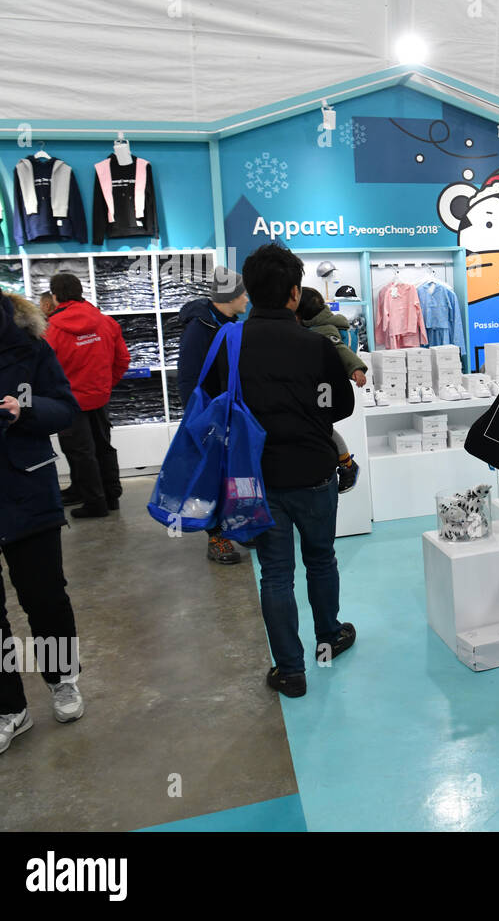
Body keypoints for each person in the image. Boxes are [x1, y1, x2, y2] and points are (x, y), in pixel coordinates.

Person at [200, 244, 356, 698]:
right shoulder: (316, 345)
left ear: (250, 291)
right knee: (321, 557)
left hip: (254, 476)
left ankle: (290, 671)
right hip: (312, 471)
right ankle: (328, 637)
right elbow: (339, 406)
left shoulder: (228, 343)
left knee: (275, 573)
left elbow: (213, 400)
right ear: (293, 293)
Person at [0, 265, 84, 759]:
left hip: (27, 493)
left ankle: (63, 680)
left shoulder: (29, 347)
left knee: (45, 599)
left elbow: (66, 407)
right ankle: (6, 708)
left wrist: (24, 412)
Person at [175, 266, 250, 564]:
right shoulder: (200, 327)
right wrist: (198, 418)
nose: (247, 298)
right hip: (209, 414)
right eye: (242, 293)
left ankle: (240, 527)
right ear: (229, 296)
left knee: (236, 473)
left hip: (231, 411)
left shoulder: (229, 323)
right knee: (211, 477)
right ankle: (216, 537)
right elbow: (189, 377)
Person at [43, 273, 129, 518]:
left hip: (70, 401)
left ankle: (95, 503)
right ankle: (111, 496)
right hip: (99, 396)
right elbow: (122, 359)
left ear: (56, 296)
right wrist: (105, 384)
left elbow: (46, 368)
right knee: (103, 446)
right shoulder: (105, 321)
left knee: (79, 452)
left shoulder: (51, 329)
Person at [296, 286, 367, 493]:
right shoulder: (319, 325)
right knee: (319, 426)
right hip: (320, 386)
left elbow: (341, 350)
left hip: (324, 388)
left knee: (322, 426)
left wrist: (356, 369)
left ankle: (347, 465)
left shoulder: (323, 329)